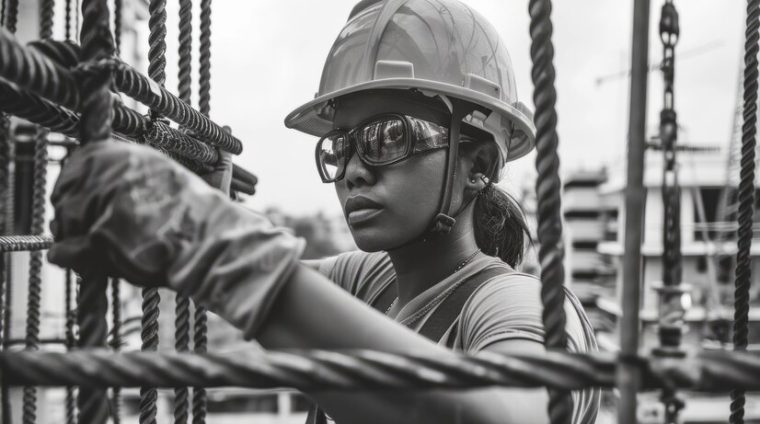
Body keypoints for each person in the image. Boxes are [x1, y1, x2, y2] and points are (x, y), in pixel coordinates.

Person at [48, 0, 600, 423]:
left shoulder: (515, 304)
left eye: (388, 136)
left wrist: (212, 242)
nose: (355, 169)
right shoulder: (375, 281)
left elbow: (514, 415)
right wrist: (194, 208)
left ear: (478, 161)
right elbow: (264, 286)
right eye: (341, 145)